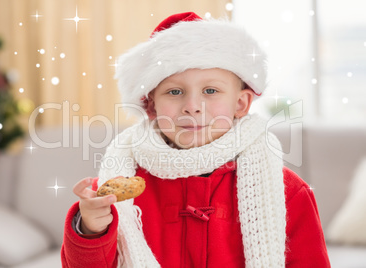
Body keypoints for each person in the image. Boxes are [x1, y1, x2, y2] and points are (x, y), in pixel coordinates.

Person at [61, 12, 331, 268]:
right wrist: (90, 230)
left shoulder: (288, 191)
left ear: (240, 103)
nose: (192, 106)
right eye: (175, 91)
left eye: (210, 90)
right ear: (151, 106)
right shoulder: (111, 192)